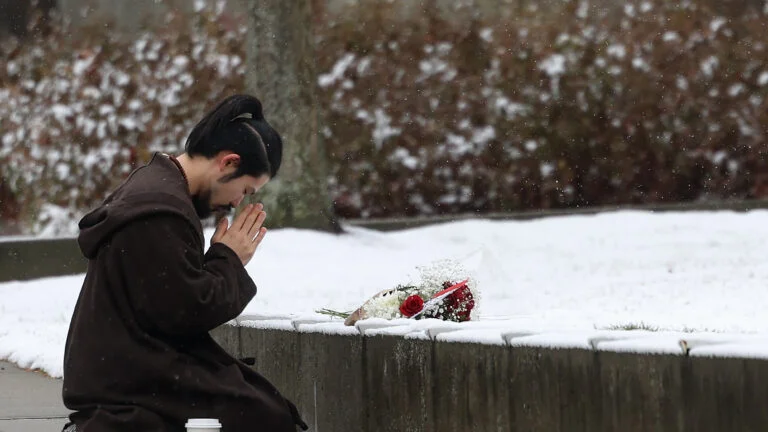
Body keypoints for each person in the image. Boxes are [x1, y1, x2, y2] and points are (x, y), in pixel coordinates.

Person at [61, 94, 308, 432]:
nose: (238, 202)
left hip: (124, 368)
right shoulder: (161, 209)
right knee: (266, 416)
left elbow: (170, 299)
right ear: (229, 163)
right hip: (127, 383)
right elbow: (187, 311)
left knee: (264, 406)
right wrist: (229, 258)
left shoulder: (159, 188)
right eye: (245, 190)